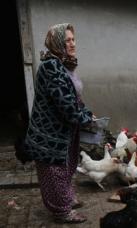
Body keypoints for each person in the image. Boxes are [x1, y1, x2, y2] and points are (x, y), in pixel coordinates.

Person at [24, 23, 94, 223]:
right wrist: (86, 119)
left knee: (65, 168)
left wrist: (86, 112)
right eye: (67, 40)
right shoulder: (51, 67)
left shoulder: (63, 63)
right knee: (54, 172)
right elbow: (66, 105)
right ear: (57, 43)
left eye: (73, 39)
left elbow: (73, 98)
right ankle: (61, 211)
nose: (72, 44)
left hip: (63, 132)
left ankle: (66, 198)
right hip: (50, 135)